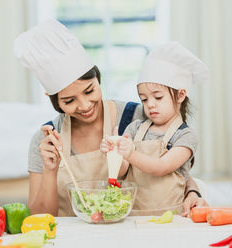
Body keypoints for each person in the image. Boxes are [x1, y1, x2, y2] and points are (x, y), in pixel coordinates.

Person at [14, 19, 207, 216]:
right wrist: (49, 169)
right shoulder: (46, 141)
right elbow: (40, 216)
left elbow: (174, 169)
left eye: (89, 91)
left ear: (98, 79)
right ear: (53, 100)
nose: (85, 105)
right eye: (69, 100)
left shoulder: (137, 118)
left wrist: (193, 191)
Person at [101, 42, 209, 216]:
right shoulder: (135, 128)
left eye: (158, 97)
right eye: (144, 99)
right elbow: (122, 171)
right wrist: (115, 154)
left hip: (169, 218)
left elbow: (162, 167)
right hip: (132, 215)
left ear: (181, 95)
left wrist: (130, 153)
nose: (150, 104)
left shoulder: (186, 136)